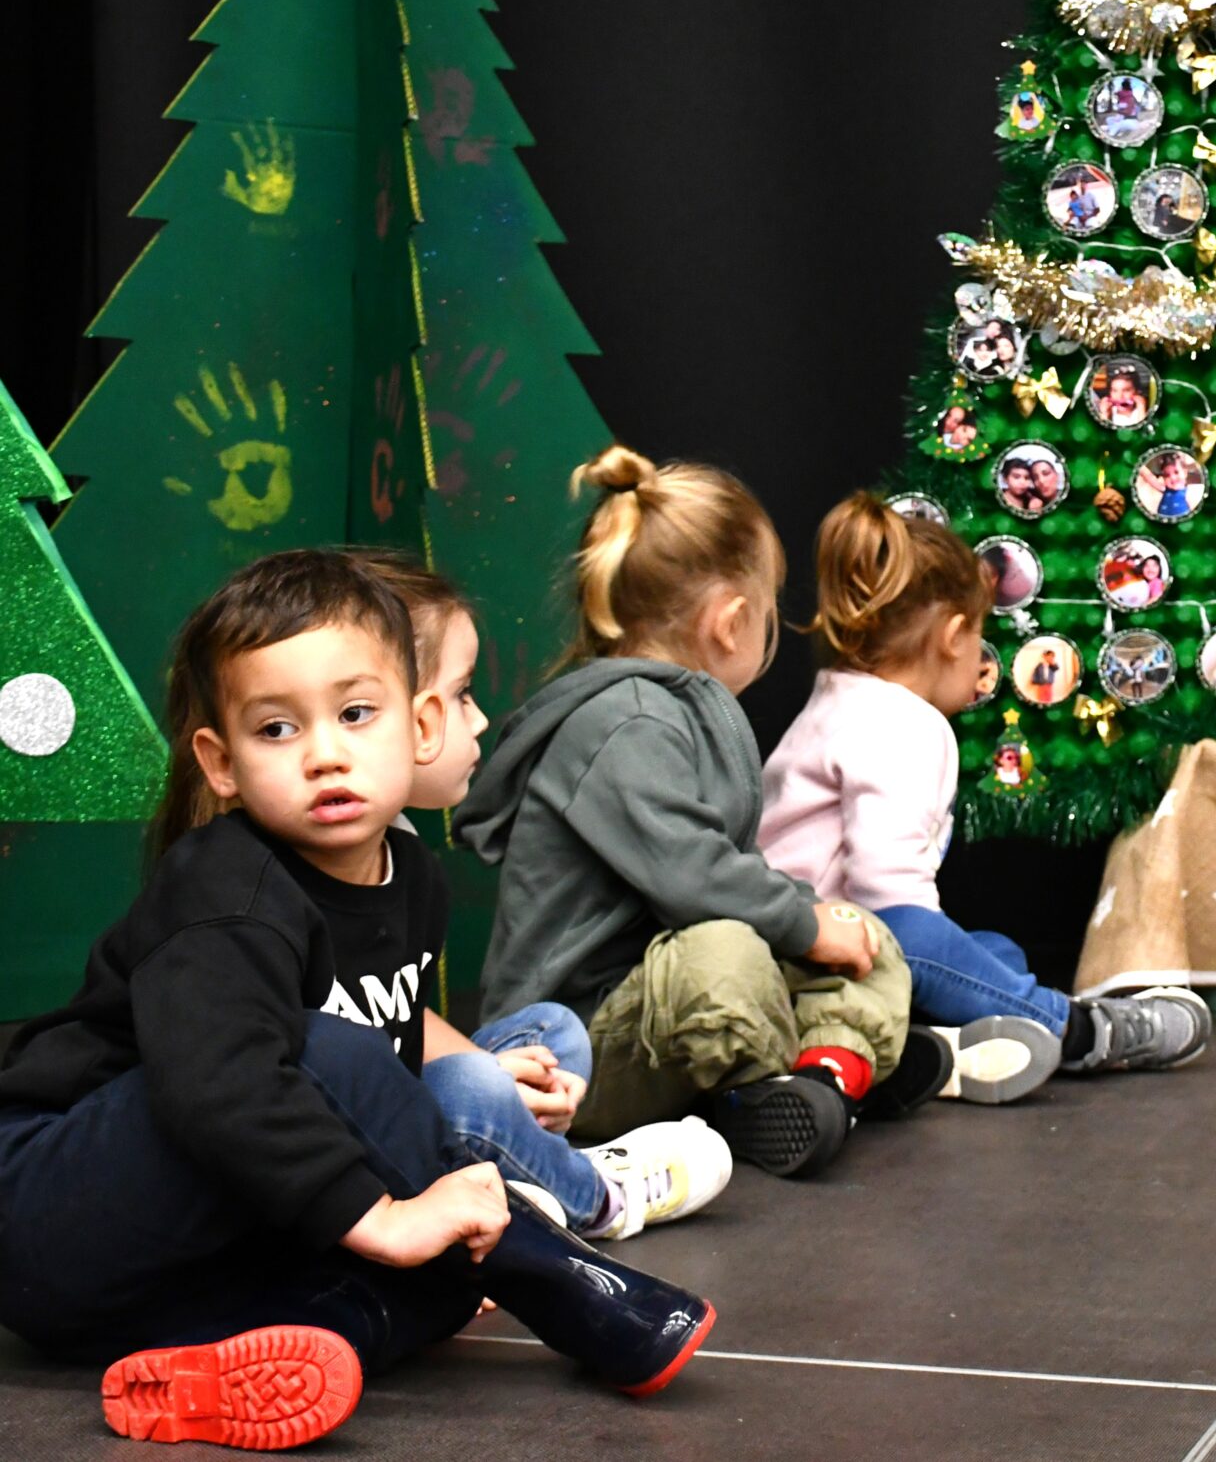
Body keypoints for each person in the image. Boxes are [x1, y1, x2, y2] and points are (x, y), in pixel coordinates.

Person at [0, 551, 716, 1448]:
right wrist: (387, 1213)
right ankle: (552, 1266)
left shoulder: (410, 876)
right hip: (49, 1210)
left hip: (171, 1261)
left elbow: (397, 1034)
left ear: (417, 725)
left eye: (354, 714)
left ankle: (234, 1360)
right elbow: (220, 1084)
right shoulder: (227, 890)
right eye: (276, 730)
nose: (325, 753)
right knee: (331, 1055)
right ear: (220, 763)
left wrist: (434, 1208)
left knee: (436, 1283)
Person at [456, 446, 932, 1182]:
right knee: (729, 954)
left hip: (658, 999)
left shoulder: (674, 710)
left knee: (862, 932)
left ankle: (830, 1073)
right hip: (577, 1049)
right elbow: (694, 875)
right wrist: (803, 925)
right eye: (771, 609)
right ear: (732, 620)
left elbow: (724, 874)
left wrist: (821, 924)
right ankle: (779, 1089)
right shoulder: (624, 722)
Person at [762, 495, 1213, 1101]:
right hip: (826, 955)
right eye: (980, 640)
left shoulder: (839, 699)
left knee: (993, 952)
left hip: (790, 948)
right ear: (954, 637)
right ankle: (1079, 1031)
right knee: (928, 943)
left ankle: (932, 1049)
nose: (982, 662)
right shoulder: (903, 724)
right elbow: (886, 894)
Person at [349, 552, 728, 1244]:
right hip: (343, 1137)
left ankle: (520, 1173)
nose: (481, 718)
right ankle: (598, 1192)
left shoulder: (400, 851)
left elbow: (393, 1016)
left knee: (552, 1032)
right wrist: (480, 1082)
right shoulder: (288, 883)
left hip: (398, 1093)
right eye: (462, 693)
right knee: (470, 1092)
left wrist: (492, 1068)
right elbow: (334, 1061)